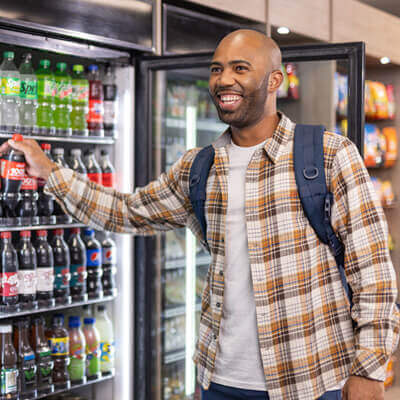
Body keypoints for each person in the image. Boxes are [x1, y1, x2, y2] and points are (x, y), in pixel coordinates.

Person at [0, 30, 398, 400]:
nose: (224, 79)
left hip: (309, 380)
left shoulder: (328, 154)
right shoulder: (199, 167)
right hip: (218, 380)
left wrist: (370, 369)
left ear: (274, 81)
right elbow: (128, 212)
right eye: (217, 69)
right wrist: (51, 172)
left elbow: (374, 271)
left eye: (241, 68)